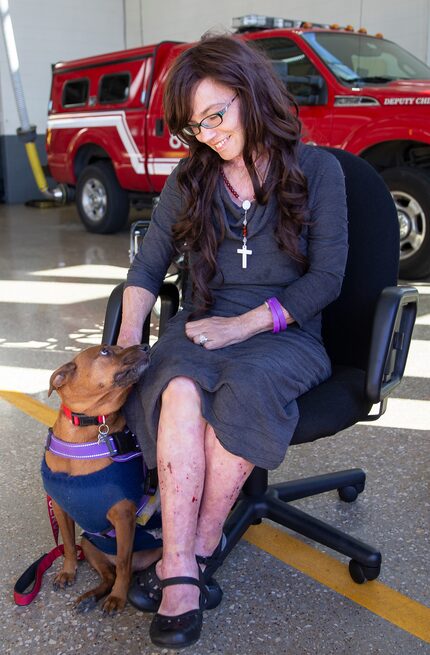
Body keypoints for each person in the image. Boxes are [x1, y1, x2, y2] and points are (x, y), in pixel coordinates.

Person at [117, 34, 348, 649]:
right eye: (194, 127)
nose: (208, 136)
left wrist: (241, 327)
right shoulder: (191, 180)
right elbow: (146, 270)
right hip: (201, 324)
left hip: (286, 333)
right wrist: (123, 347)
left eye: (216, 116)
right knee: (179, 386)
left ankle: (194, 546)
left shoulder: (318, 170)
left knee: (246, 382)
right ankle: (186, 567)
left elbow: (326, 280)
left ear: (251, 94)